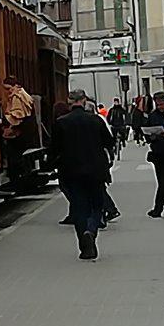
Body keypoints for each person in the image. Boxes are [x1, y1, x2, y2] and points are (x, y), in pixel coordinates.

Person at [50, 89, 115, 260]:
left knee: (79, 208)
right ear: (84, 100)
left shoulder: (61, 122)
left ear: (69, 101)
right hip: (96, 171)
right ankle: (91, 229)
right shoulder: (95, 120)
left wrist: (55, 165)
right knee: (96, 205)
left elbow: (53, 149)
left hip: (71, 172)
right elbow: (109, 142)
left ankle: (85, 248)